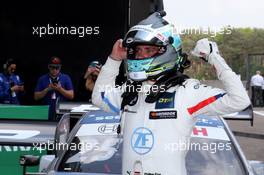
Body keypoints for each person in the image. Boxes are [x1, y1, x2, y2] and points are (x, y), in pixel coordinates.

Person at [92, 11, 250, 175]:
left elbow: (239, 100)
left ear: (167, 51)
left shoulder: (186, 92)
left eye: (148, 50)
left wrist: (214, 57)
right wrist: (114, 59)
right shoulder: (130, 93)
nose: (141, 55)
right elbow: (99, 97)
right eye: (138, 50)